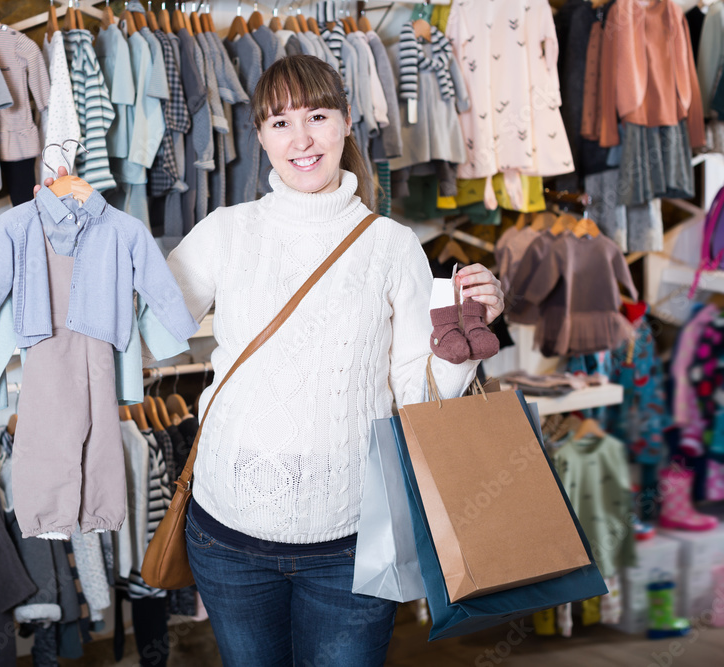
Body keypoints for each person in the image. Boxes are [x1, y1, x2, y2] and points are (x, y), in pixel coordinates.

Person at [40, 55, 504, 666]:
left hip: (353, 539)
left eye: (317, 116)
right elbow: (143, 338)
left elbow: (417, 399)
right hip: (228, 534)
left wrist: (463, 336)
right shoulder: (225, 232)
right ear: (260, 136)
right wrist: (88, 247)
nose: (302, 139)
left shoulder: (392, 247)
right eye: (281, 123)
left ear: (344, 123)